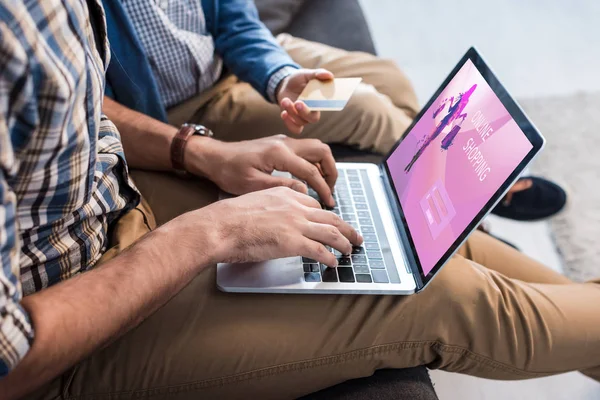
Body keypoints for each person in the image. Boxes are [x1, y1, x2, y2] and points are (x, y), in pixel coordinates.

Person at [2, 2, 599, 400]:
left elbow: (83, 106)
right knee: (440, 293)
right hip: (68, 325)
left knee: (401, 219)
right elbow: (11, 356)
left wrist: (198, 152)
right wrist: (206, 234)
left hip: (122, 195)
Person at [102, 0, 567, 222]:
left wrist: (280, 76)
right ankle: (469, 204)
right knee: (369, 108)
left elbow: (233, 19)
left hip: (236, 62)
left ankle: (434, 189)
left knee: (388, 76)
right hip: (182, 107)